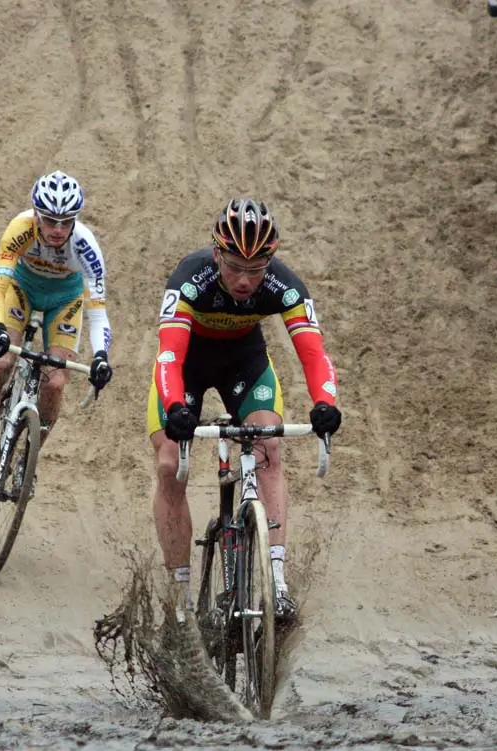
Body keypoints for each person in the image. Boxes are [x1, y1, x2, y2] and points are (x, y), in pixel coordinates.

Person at [148, 198, 342, 623]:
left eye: (255, 270)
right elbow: (168, 357)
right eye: (235, 266)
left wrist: (325, 403)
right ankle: (178, 593)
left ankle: (277, 583)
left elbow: (313, 353)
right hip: (188, 366)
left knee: (269, 449)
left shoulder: (283, 286)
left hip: (245, 363)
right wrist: (176, 407)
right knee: (169, 465)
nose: (243, 280)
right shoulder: (189, 279)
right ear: (217, 253)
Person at [0, 171, 113, 490]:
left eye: (65, 222)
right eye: (50, 221)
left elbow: (97, 312)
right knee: (2, 364)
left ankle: (29, 456)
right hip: (22, 288)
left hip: (64, 299)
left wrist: (101, 357)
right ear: (37, 215)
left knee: (54, 383)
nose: (57, 230)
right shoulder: (20, 227)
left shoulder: (86, 247)